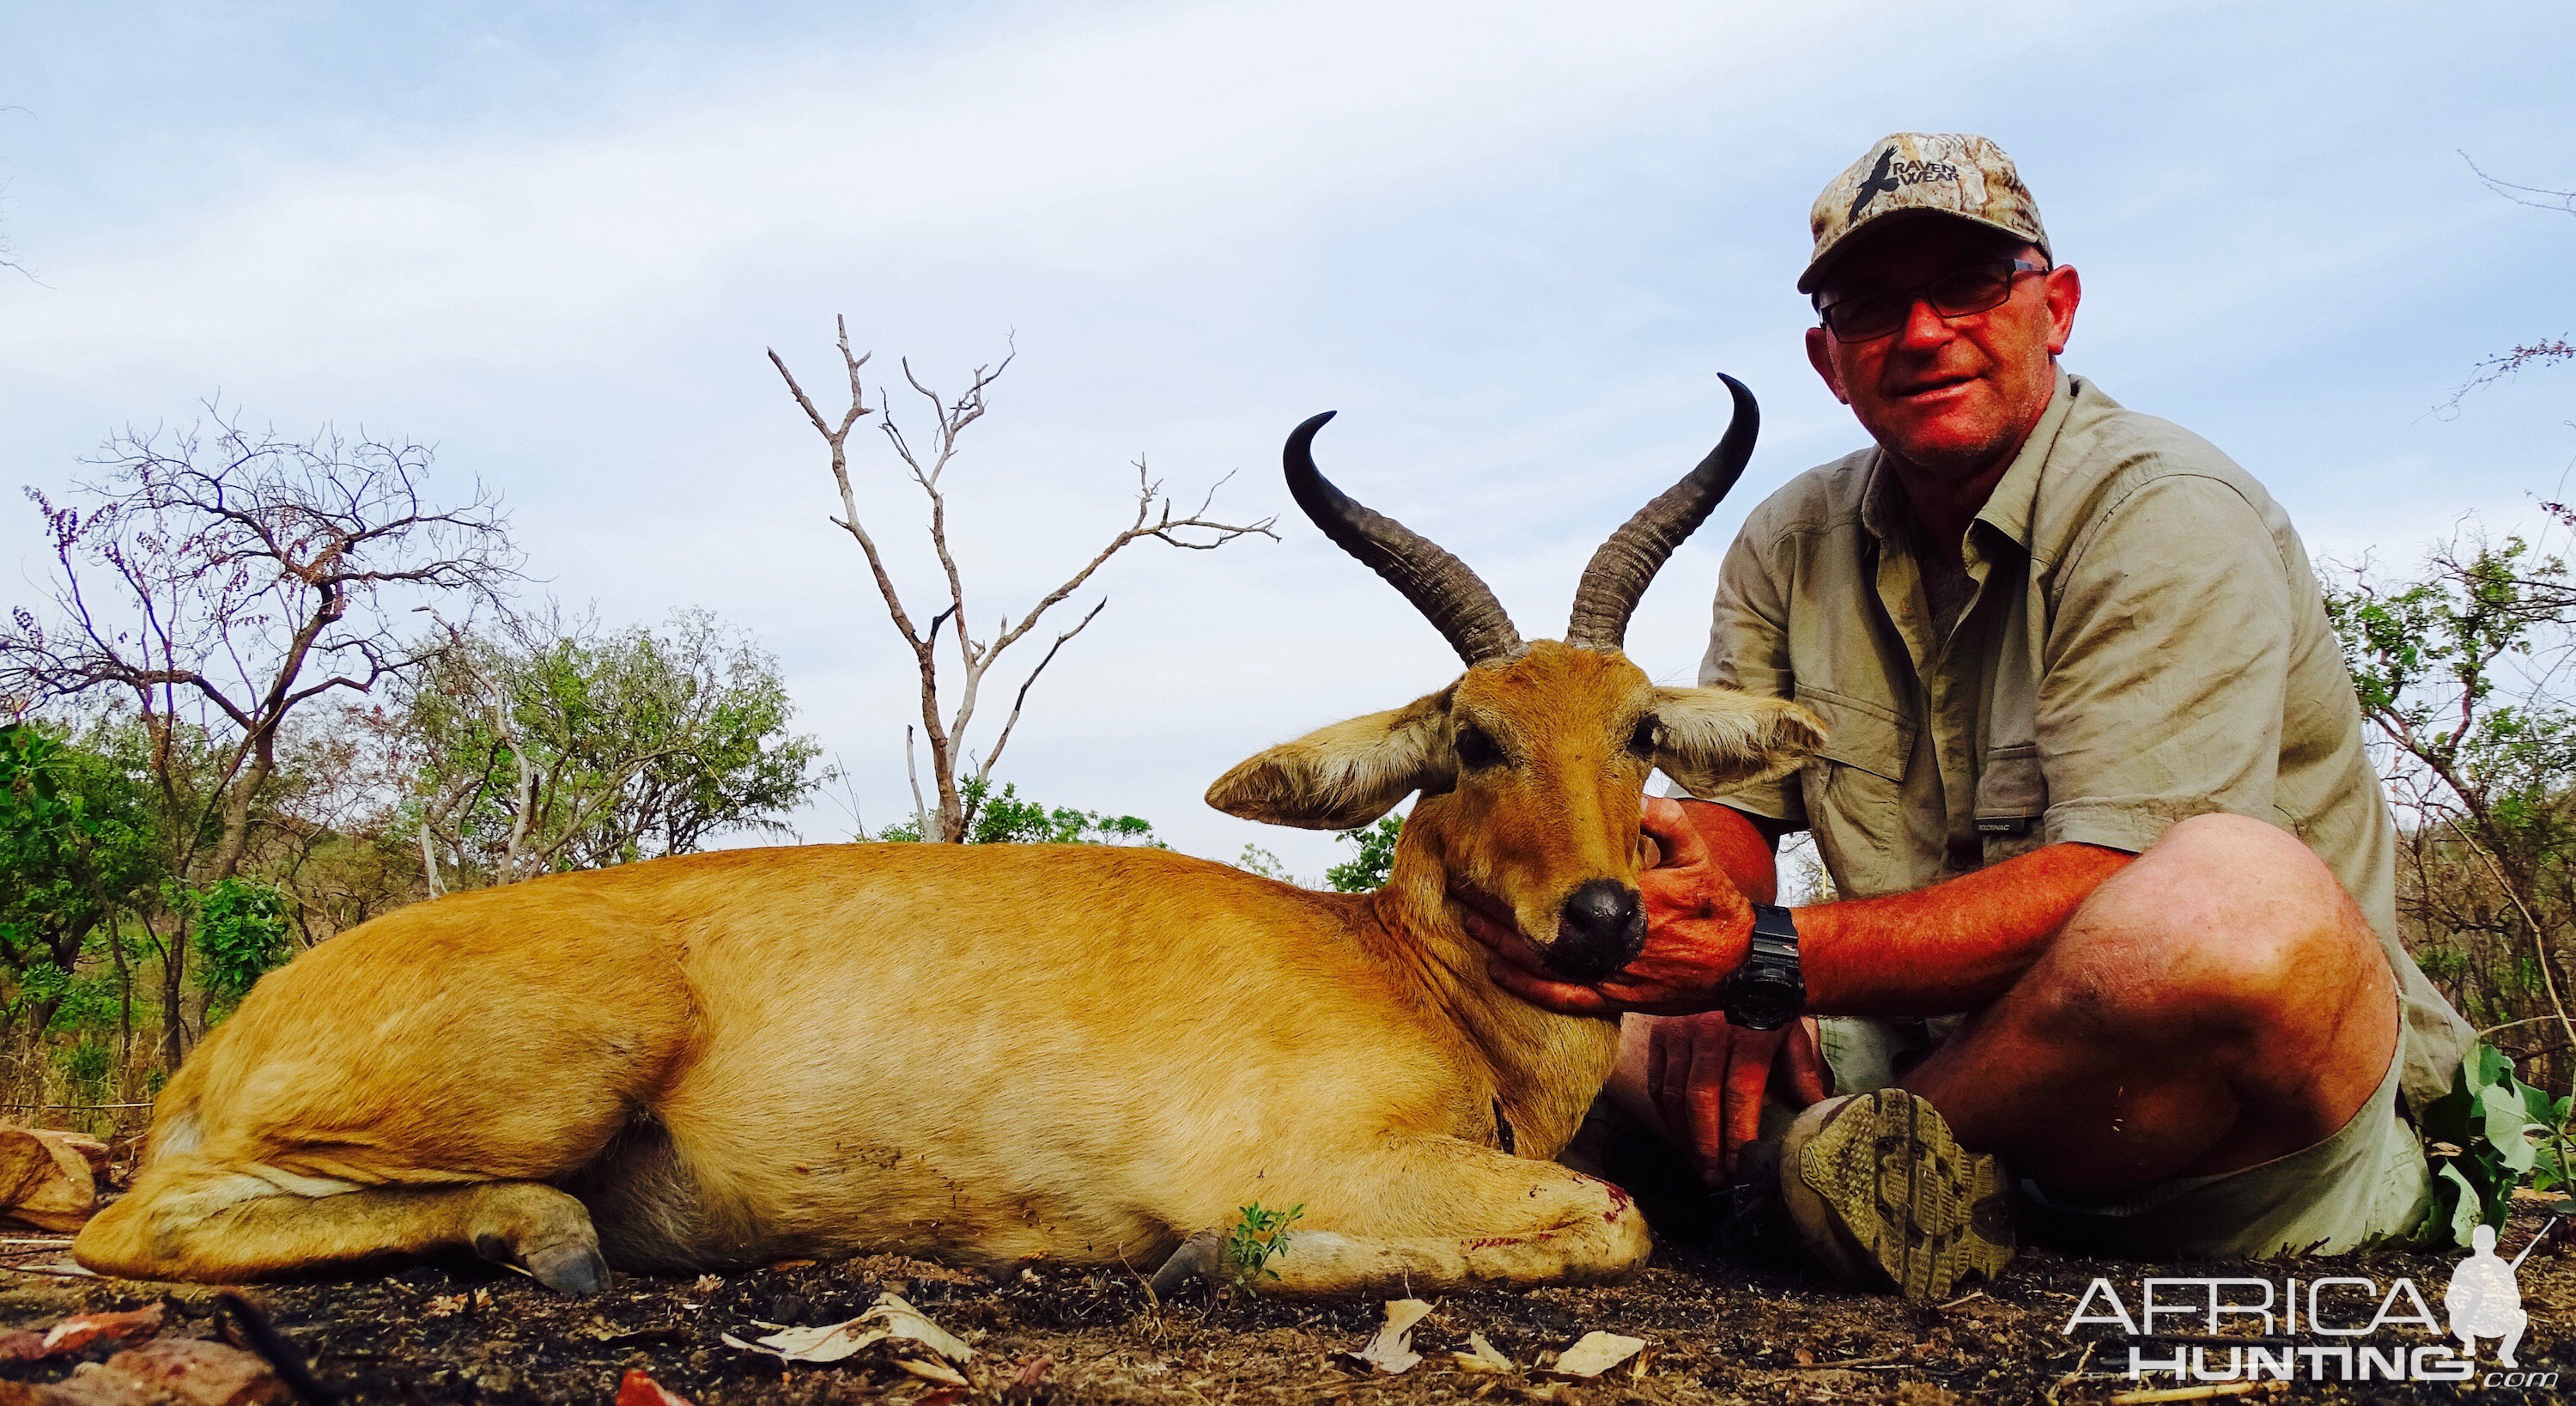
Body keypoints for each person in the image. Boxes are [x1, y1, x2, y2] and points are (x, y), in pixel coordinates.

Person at [1475, 132, 2476, 1301]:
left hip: (2219, 1128)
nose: (1922, 332)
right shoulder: (1787, 541)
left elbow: (2109, 874)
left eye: (1967, 285)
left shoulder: (2166, 509)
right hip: (1921, 1054)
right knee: (1538, 952)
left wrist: (1762, 957)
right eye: (1869, 308)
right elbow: (1732, 820)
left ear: (2056, 308)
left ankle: (1814, 1174)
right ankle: (1862, 1169)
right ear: (1828, 361)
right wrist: (1696, 927)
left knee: (2239, 900)